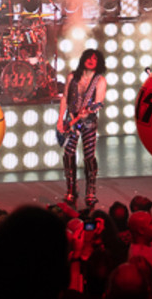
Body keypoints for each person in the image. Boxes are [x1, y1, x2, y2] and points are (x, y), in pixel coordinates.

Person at [58, 48, 108, 207]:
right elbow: (65, 98)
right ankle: (71, 189)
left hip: (88, 122)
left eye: (95, 58)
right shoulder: (72, 77)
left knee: (89, 156)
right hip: (71, 121)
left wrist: (88, 112)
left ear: (98, 62)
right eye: (88, 57)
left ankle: (91, 190)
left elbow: (98, 102)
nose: (91, 60)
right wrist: (60, 120)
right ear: (83, 59)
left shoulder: (100, 80)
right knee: (68, 153)